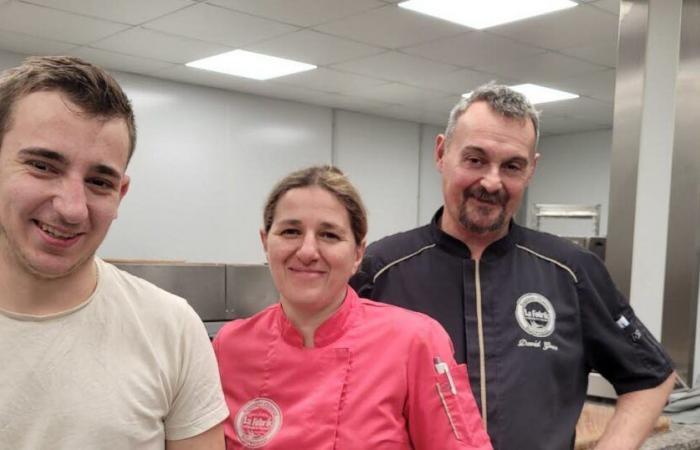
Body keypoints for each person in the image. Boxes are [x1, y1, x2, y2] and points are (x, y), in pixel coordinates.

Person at [350, 83, 675, 450]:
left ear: (531, 170)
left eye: (511, 166)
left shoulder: (571, 271)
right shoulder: (380, 270)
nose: (492, 182)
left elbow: (651, 375)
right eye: (475, 160)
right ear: (442, 153)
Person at [0, 56, 228, 450]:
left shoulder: (171, 329)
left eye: (98, 181)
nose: (72, 208)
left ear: (120, 194)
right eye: (42, 166)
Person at [213, 166, 492, 449]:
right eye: (290, 231)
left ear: (358, 253)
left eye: (329, 235)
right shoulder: (230, 347)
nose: (308, 251)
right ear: (265, 242)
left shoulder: (416, 341)